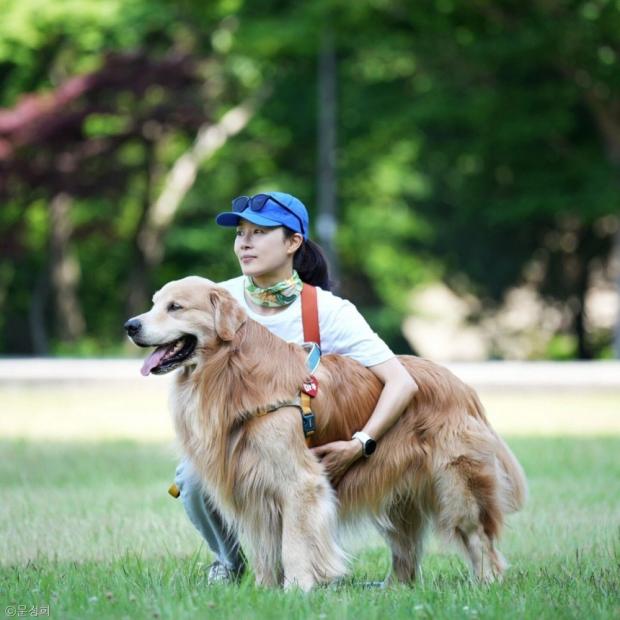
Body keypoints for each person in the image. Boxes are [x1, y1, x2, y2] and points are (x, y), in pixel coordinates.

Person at [174, 191, 418, 584]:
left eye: (260, 232)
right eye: (240, 233)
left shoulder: (328, 311)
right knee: (189, 479)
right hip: (231, 445)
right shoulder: (218, 297)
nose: (244, 242)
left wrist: (361, 443)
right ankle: (231, 563)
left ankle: (307, 566)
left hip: (307, 445)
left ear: (293, 242)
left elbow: (401, 382)